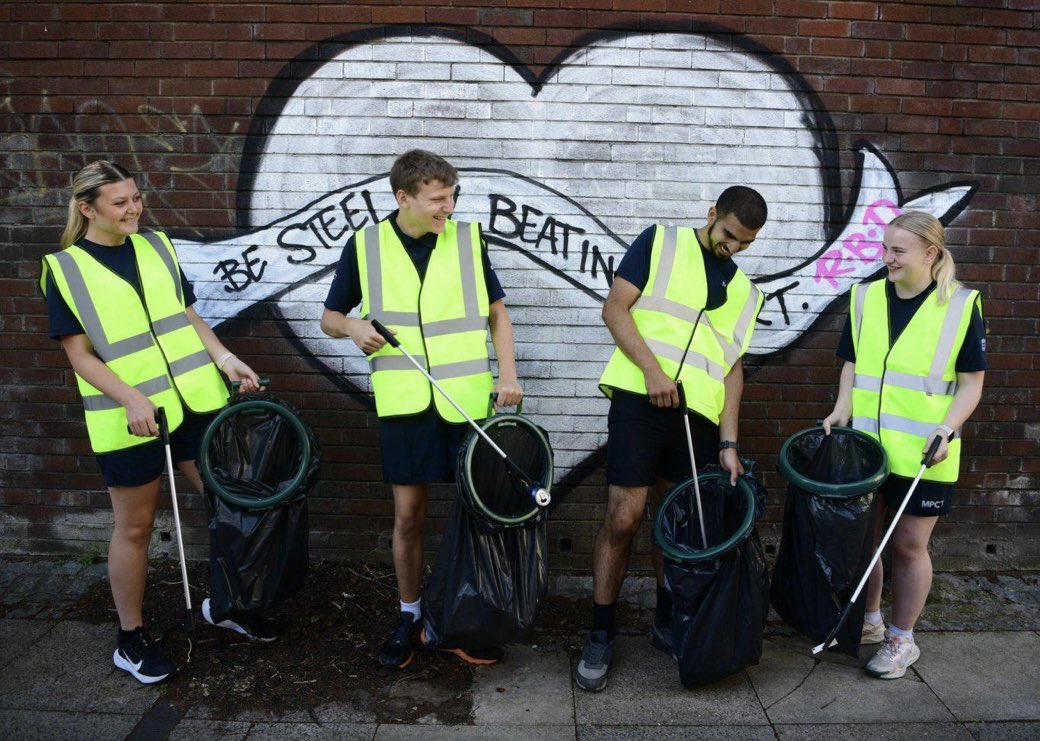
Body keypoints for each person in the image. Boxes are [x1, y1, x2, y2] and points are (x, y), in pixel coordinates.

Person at [41, 161, 264, 685]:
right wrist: (131, 398)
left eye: (135, 198)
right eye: (119, 203)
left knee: (227, 501)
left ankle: (223, 605)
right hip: (129, 417)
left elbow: (188, 315)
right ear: (87, 208)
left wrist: (225, 358)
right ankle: (131, 639)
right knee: (136, 526)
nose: (133, 209)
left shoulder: (158, 246)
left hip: (194, 401)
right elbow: (80, 356)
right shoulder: (65, 269)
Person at [320, 149, 523, 669]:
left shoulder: (467, 240)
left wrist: (508, 376)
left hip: (466, 402)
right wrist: (354, 327)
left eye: (452, 196)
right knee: (408, 517)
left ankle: (463, 617)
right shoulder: (365, 246)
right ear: (402, 198)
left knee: (475, 516)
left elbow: (497, 316)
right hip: (405, 404)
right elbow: (329, 317)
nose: (447, 209)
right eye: (437, 199)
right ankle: (409, 615)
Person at [574, 186, 768, 691]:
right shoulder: (660, 241)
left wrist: (729, 444)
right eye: (728, 235)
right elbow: (615, 309)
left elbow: (731, 369)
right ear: (712, 215)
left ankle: (667, 620)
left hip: (698, 420)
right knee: (624, 516)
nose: (734, 248)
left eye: (745, 243)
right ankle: (601, 634)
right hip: (641, 402)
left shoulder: (747, 292)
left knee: (675, 523)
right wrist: (653, 372)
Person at [823, 211, 985, 679]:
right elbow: (852, 361)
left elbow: (972, 384)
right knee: (867, 540)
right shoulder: (865, 297)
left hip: (923, 451)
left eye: (898, 251)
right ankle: (871, 624)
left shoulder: (960, 305)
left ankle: (902, 639)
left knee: (909, 547)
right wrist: (841, 407)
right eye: (884, 249)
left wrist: (948, 429)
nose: (887, 259)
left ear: (930, 254)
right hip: (867, 450)